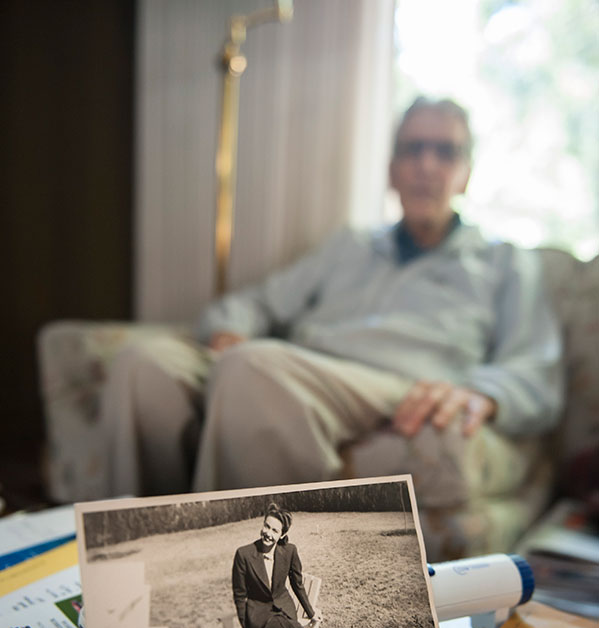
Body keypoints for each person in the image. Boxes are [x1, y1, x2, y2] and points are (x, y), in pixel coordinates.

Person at [101, 96, 564, 497]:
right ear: (391, 171)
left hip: (395, 382)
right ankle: (123, 572)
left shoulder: (504, 262)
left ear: (465, 174)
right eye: (412, 149)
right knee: (144, 366)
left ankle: (230, 586)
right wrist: (229, 331)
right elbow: (256, 302)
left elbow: (537, 369)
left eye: (445, 152)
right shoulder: (351, 244)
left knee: (256, 369)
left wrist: (482, 392)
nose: (427, 164)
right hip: (302, 367)